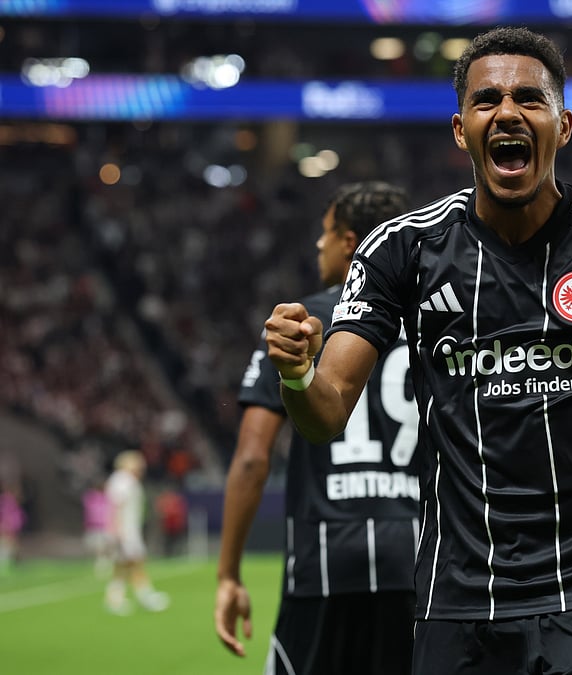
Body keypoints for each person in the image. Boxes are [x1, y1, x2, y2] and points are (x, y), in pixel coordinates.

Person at [263, 27, 572, 675]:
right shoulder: (403, 250)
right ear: (461, 130)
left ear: (563, 125)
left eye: (529, 99)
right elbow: (326, 412)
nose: (508, 112)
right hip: (457, 599)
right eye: (487, 101)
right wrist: (295, 372)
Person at [215, 181, 418, 675]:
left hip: (324, 562)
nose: (318, 245)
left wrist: (228, 574)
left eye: (325, 234)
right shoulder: (435, 323)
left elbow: (251, 457)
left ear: (350, 242)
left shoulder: (296, 328)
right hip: (421, 562)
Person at [104, 450, 169, 615]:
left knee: (122, 567)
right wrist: (117, 530)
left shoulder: (124, 480)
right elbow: (116, 507)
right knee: (136, 563)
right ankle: (146, 597)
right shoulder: (123, 481)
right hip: (125, 531)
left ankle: (114, 599)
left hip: (128, 529)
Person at [82, 479, 113, 578]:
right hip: (96, 526)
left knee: (105, 548)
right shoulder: (93, 498)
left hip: (103, 526)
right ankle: (101, 564)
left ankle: (104, 564)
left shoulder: (107, 498)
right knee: (99, 548)